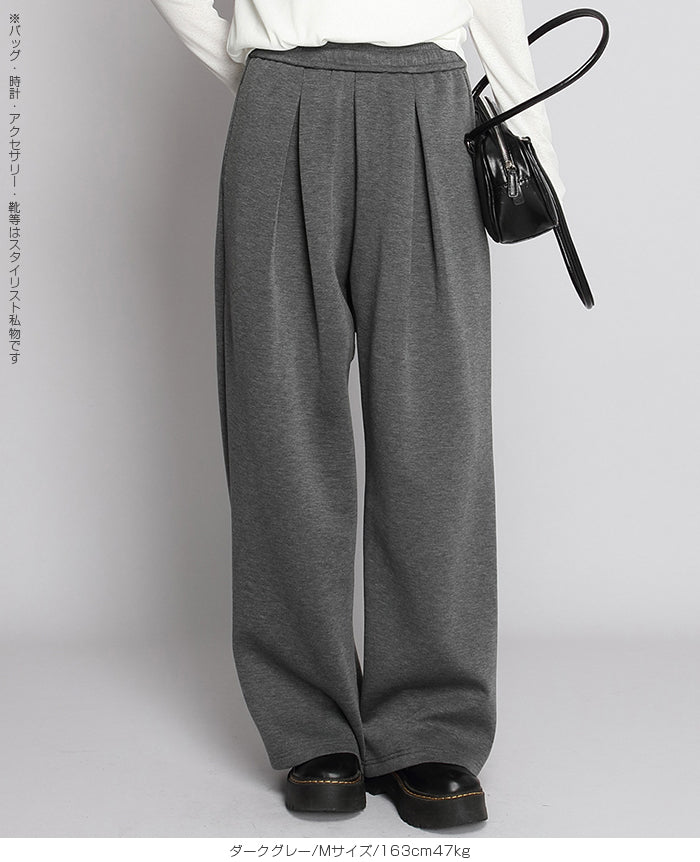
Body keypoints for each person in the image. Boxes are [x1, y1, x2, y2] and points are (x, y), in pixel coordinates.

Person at [149, 0, 566, 830]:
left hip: (431, 104)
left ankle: (431, 725)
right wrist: (254, 70)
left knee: (437, 427)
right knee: (278, 421)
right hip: (282, 94)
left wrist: (531, 146)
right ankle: (310, 723)